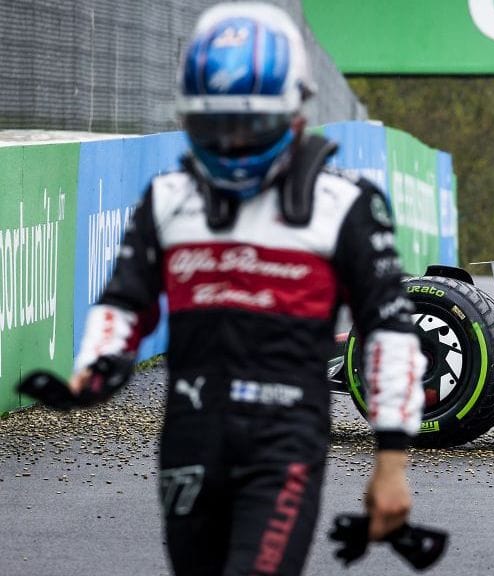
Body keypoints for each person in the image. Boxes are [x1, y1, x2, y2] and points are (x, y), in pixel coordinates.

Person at [69, 3, 425, 574]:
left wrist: (391, 459)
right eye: (217, 123)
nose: (233, 141)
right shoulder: (168, 198)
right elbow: (123, 301)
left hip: (283, 445)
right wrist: (97, 362)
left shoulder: (345, 206)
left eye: (249, 123)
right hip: (190, 439)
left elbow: (389, 329)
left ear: (294, 113)